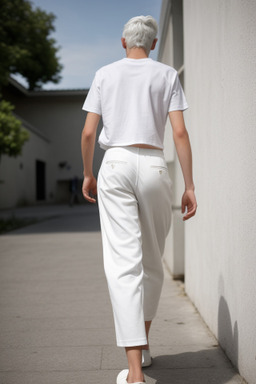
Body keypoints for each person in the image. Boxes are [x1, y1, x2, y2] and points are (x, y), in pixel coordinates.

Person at [81, 15, 197, 384]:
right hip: (153, 166)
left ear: (122, 42)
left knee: (123, 265)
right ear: (154, 43)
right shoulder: (166, 75)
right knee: (151, 263)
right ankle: (143, 347)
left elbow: (88, 132)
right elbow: (179, 132)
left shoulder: (105, 74)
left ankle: (134, 374)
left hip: (114, 163)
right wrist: (190, 185)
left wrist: (88, 173)